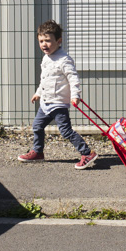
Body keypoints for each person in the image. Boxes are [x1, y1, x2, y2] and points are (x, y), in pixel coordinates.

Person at [18, 20, 98, 169]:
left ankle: (87, 153)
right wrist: (38, 93)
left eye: (48, 41)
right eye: (41, 41)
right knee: (37, 126)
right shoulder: (46, 58)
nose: (44, 44)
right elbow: (45, 79)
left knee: (66, 131)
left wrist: (75, 95)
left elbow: (73, 78)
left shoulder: (64, 59)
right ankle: (38, 152)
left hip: (59, 103)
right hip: (46, 102)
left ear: (58, 41)